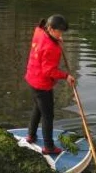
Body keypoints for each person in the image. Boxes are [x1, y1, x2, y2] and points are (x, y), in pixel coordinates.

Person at [24, 14, 75, 155]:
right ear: (51, 29)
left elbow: (40, 28)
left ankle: (31, 135)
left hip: (31, 78)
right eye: (59, 31)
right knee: (48, 115)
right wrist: (66, 76)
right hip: (41, 84)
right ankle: (49, 147)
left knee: (37, 108)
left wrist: (57, 39)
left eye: (62, 32)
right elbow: (49, 71)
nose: (61, 34)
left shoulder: (40, 32)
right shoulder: (51, 48)